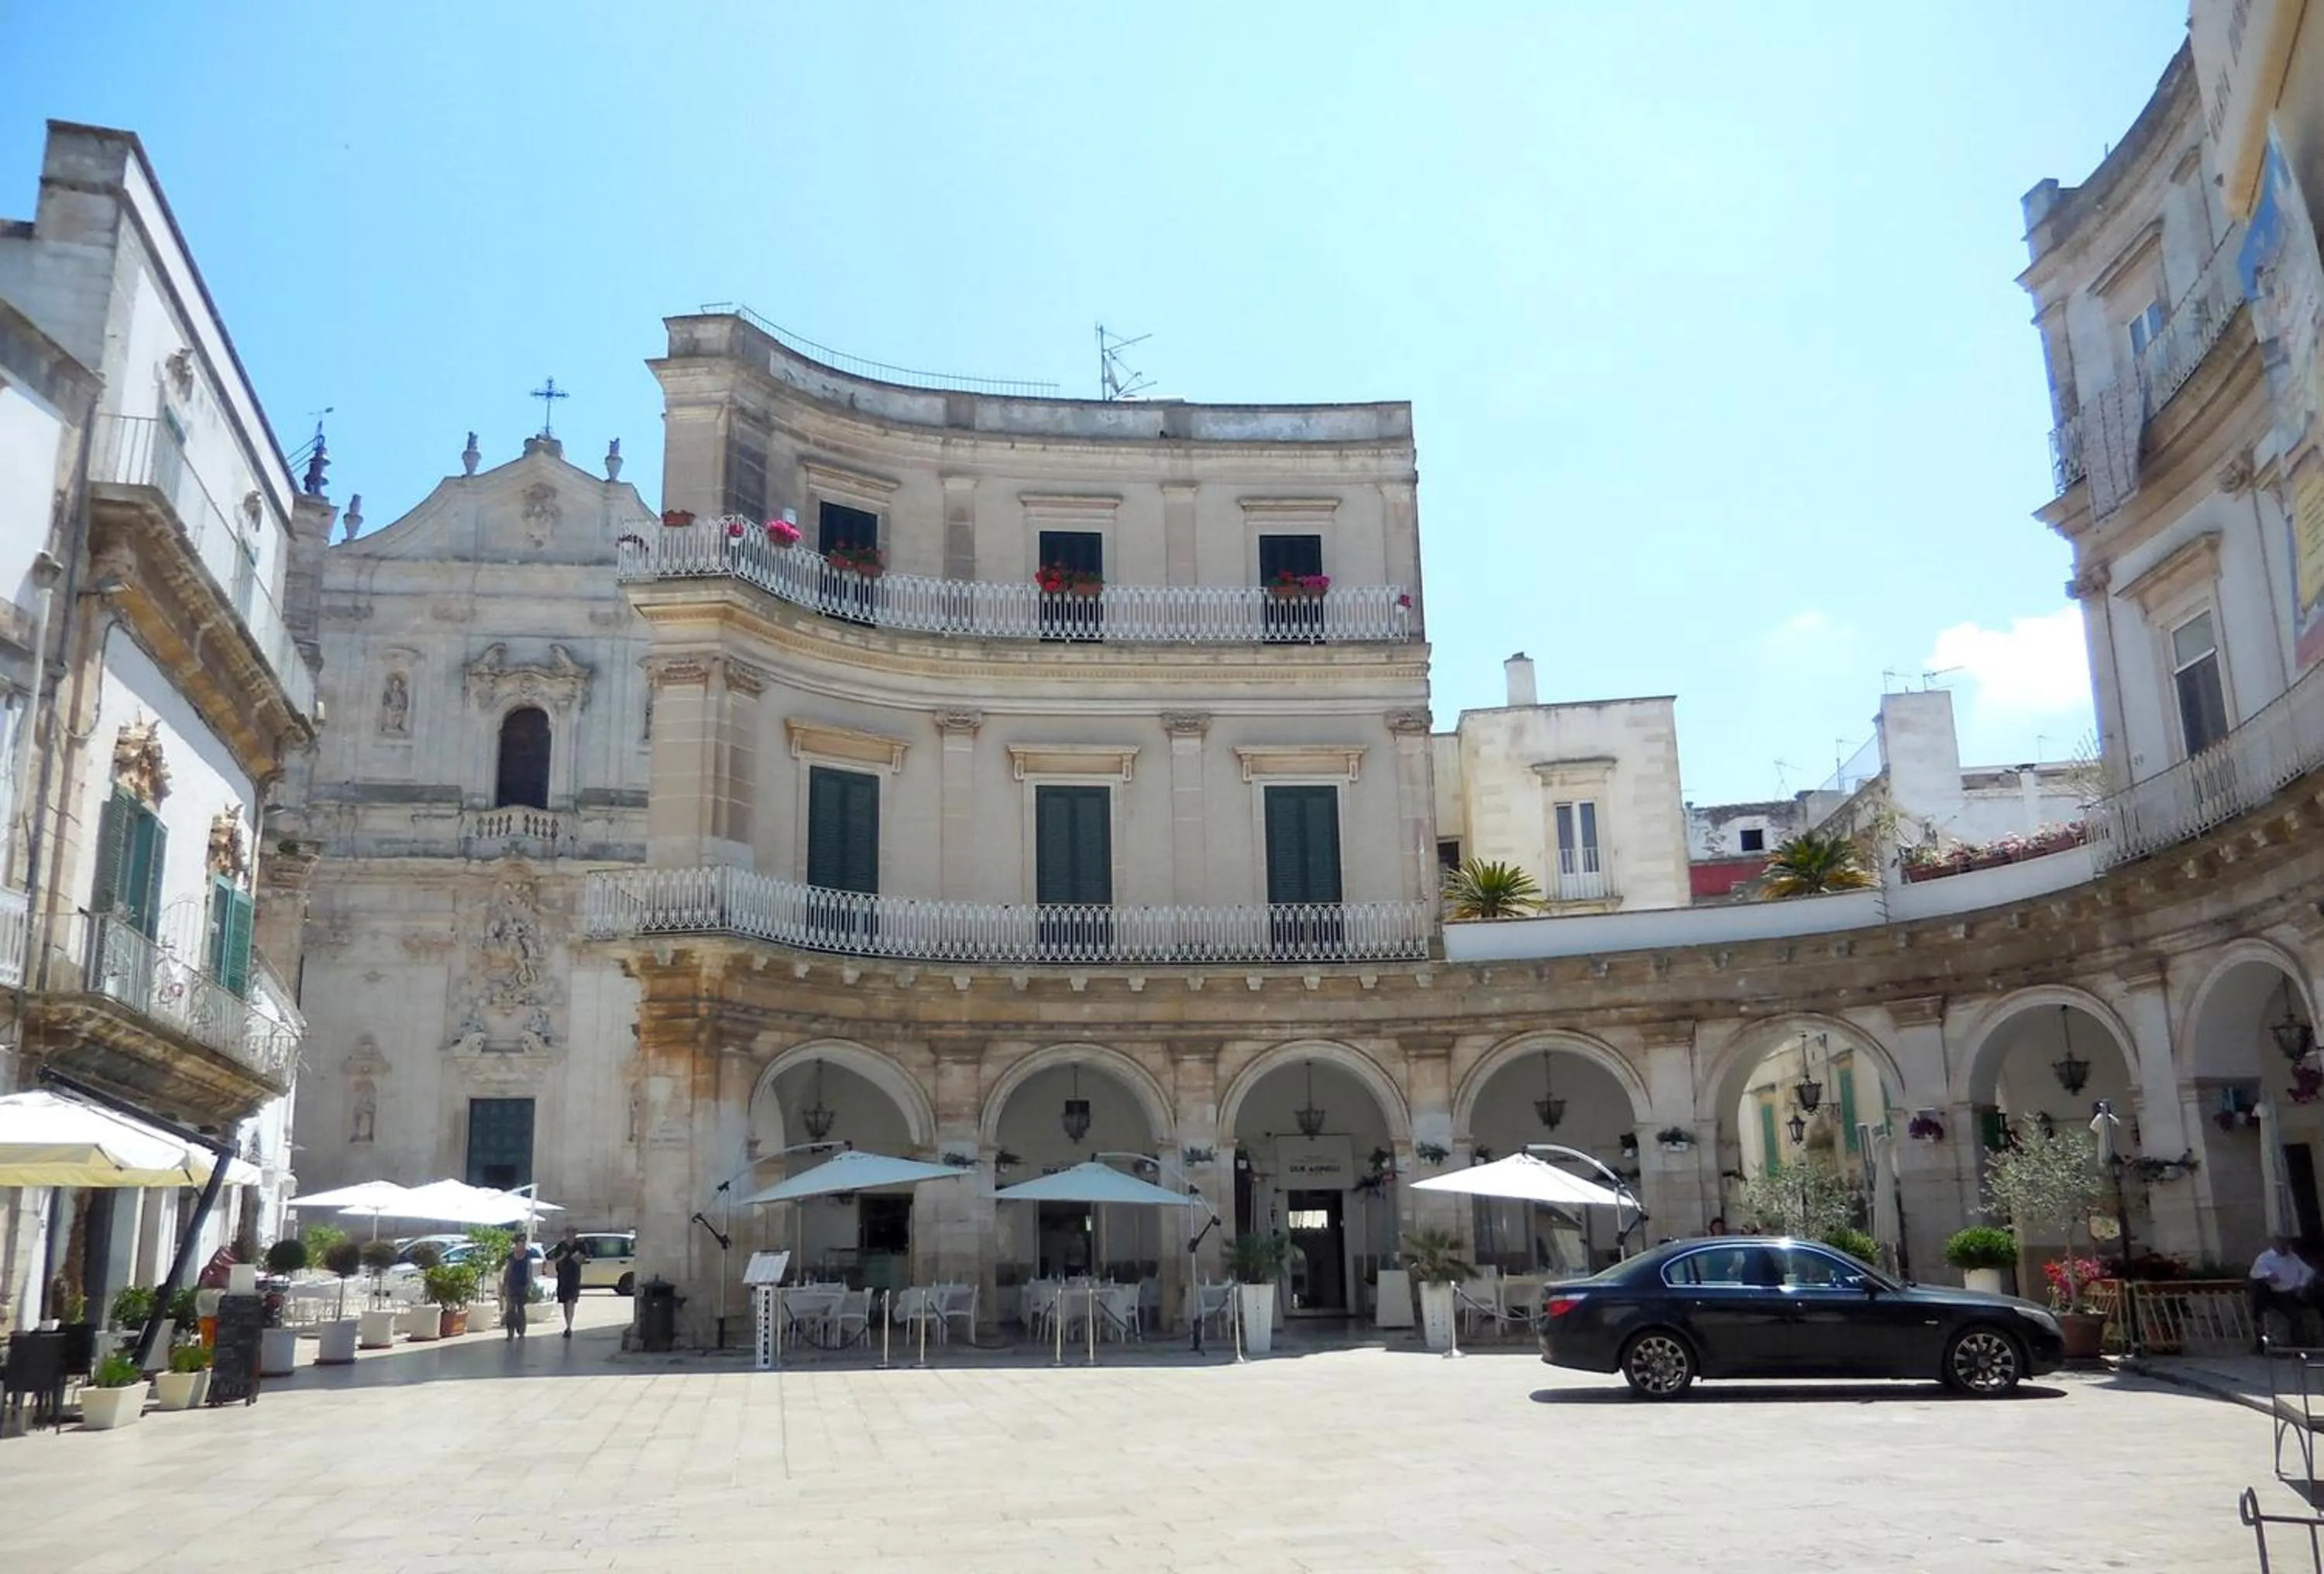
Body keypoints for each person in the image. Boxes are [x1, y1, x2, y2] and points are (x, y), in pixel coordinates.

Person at [2250, 1235, 2315, 1350]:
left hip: (2295, 1291)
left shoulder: (2293, 1257)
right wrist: (2268, 1275)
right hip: (2277, 1293)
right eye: (2283, 1247)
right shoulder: (2265, 1258)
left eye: (2287, 1246)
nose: (2286, 1250)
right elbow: (2256, 1273)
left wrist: (2301, 1285)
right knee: (2293, 1315)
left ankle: (2306, 1342)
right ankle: (2298, 1345)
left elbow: (2308, 1271)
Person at [547, 1228, 590, 1338]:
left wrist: (577, 1258)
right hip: (563, 1275)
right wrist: (563, 1256)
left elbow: (584, 1260)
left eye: (572, 1233)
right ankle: (568, 1324)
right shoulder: (561, 1246)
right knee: (566, 1302)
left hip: (574, 1275)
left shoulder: (580, 1245)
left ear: (575, 1234)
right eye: (568, 1233)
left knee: (571, 1300)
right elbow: (555, 1260)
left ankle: (569, 1326)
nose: (570, 1235)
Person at [502, 1233, 533, 1341]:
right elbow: (507, 1271)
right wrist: (505, 1285)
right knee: (510, 1309)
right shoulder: (511, 1256)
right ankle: (510, 1333)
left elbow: (530, 1271)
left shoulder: (528, 1255)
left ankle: (521, 1331)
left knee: (520, 1309)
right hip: (512, 1285)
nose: (521, 1246)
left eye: (523, 1243)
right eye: (519, 1243)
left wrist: (529, 1285)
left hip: (523, 1285)